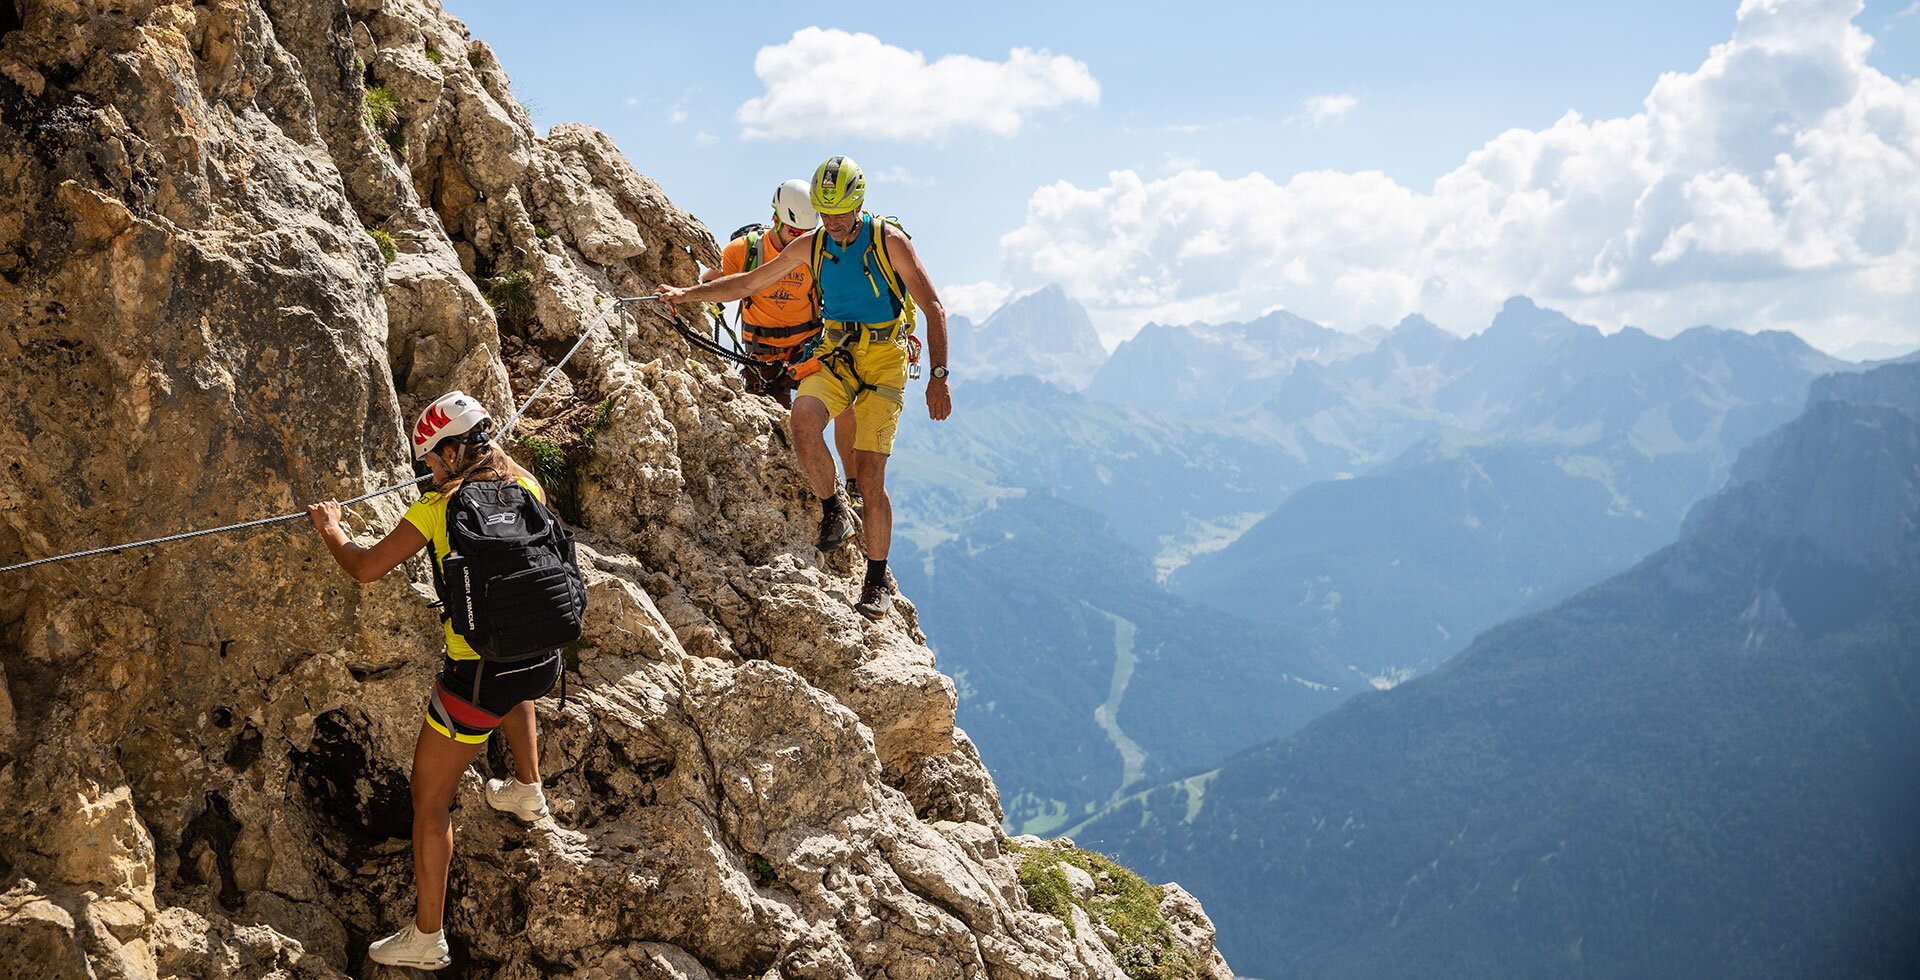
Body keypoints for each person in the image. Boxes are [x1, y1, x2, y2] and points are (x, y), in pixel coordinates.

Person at [306, 391, 561, 971]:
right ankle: (528, 789)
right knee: (514, 669)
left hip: (474, 681)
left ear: (450, 452)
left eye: (429, 460)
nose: (426, 470)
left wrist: (332, 530)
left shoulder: (438, 510)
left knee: (430, 800)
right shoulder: (528, 489)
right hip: (542, 663)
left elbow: (366, 567)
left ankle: (427, 936)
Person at [657, 156, 951, 620]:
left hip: (884, 360)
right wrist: (684, 296)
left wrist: (939, 377)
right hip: (836, 351)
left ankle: (875, 582)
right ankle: (833, 506)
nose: (832, 223)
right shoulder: (812, 245)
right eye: (825, 212)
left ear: (858, 204)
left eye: (840, 212)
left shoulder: (888, 242)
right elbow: (749, 283)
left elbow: (933, 306)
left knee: (872, 478)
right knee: (803, 422)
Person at [701, 179, 860, 500]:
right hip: (762, 354)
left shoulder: (818, 252)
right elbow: (714, 283)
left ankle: (853, 482)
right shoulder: (745, 251)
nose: (799, 242)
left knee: (845, 401)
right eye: (794, 234)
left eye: (806, 235)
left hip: (808, 346)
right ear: (775, 219)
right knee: (778, 425)